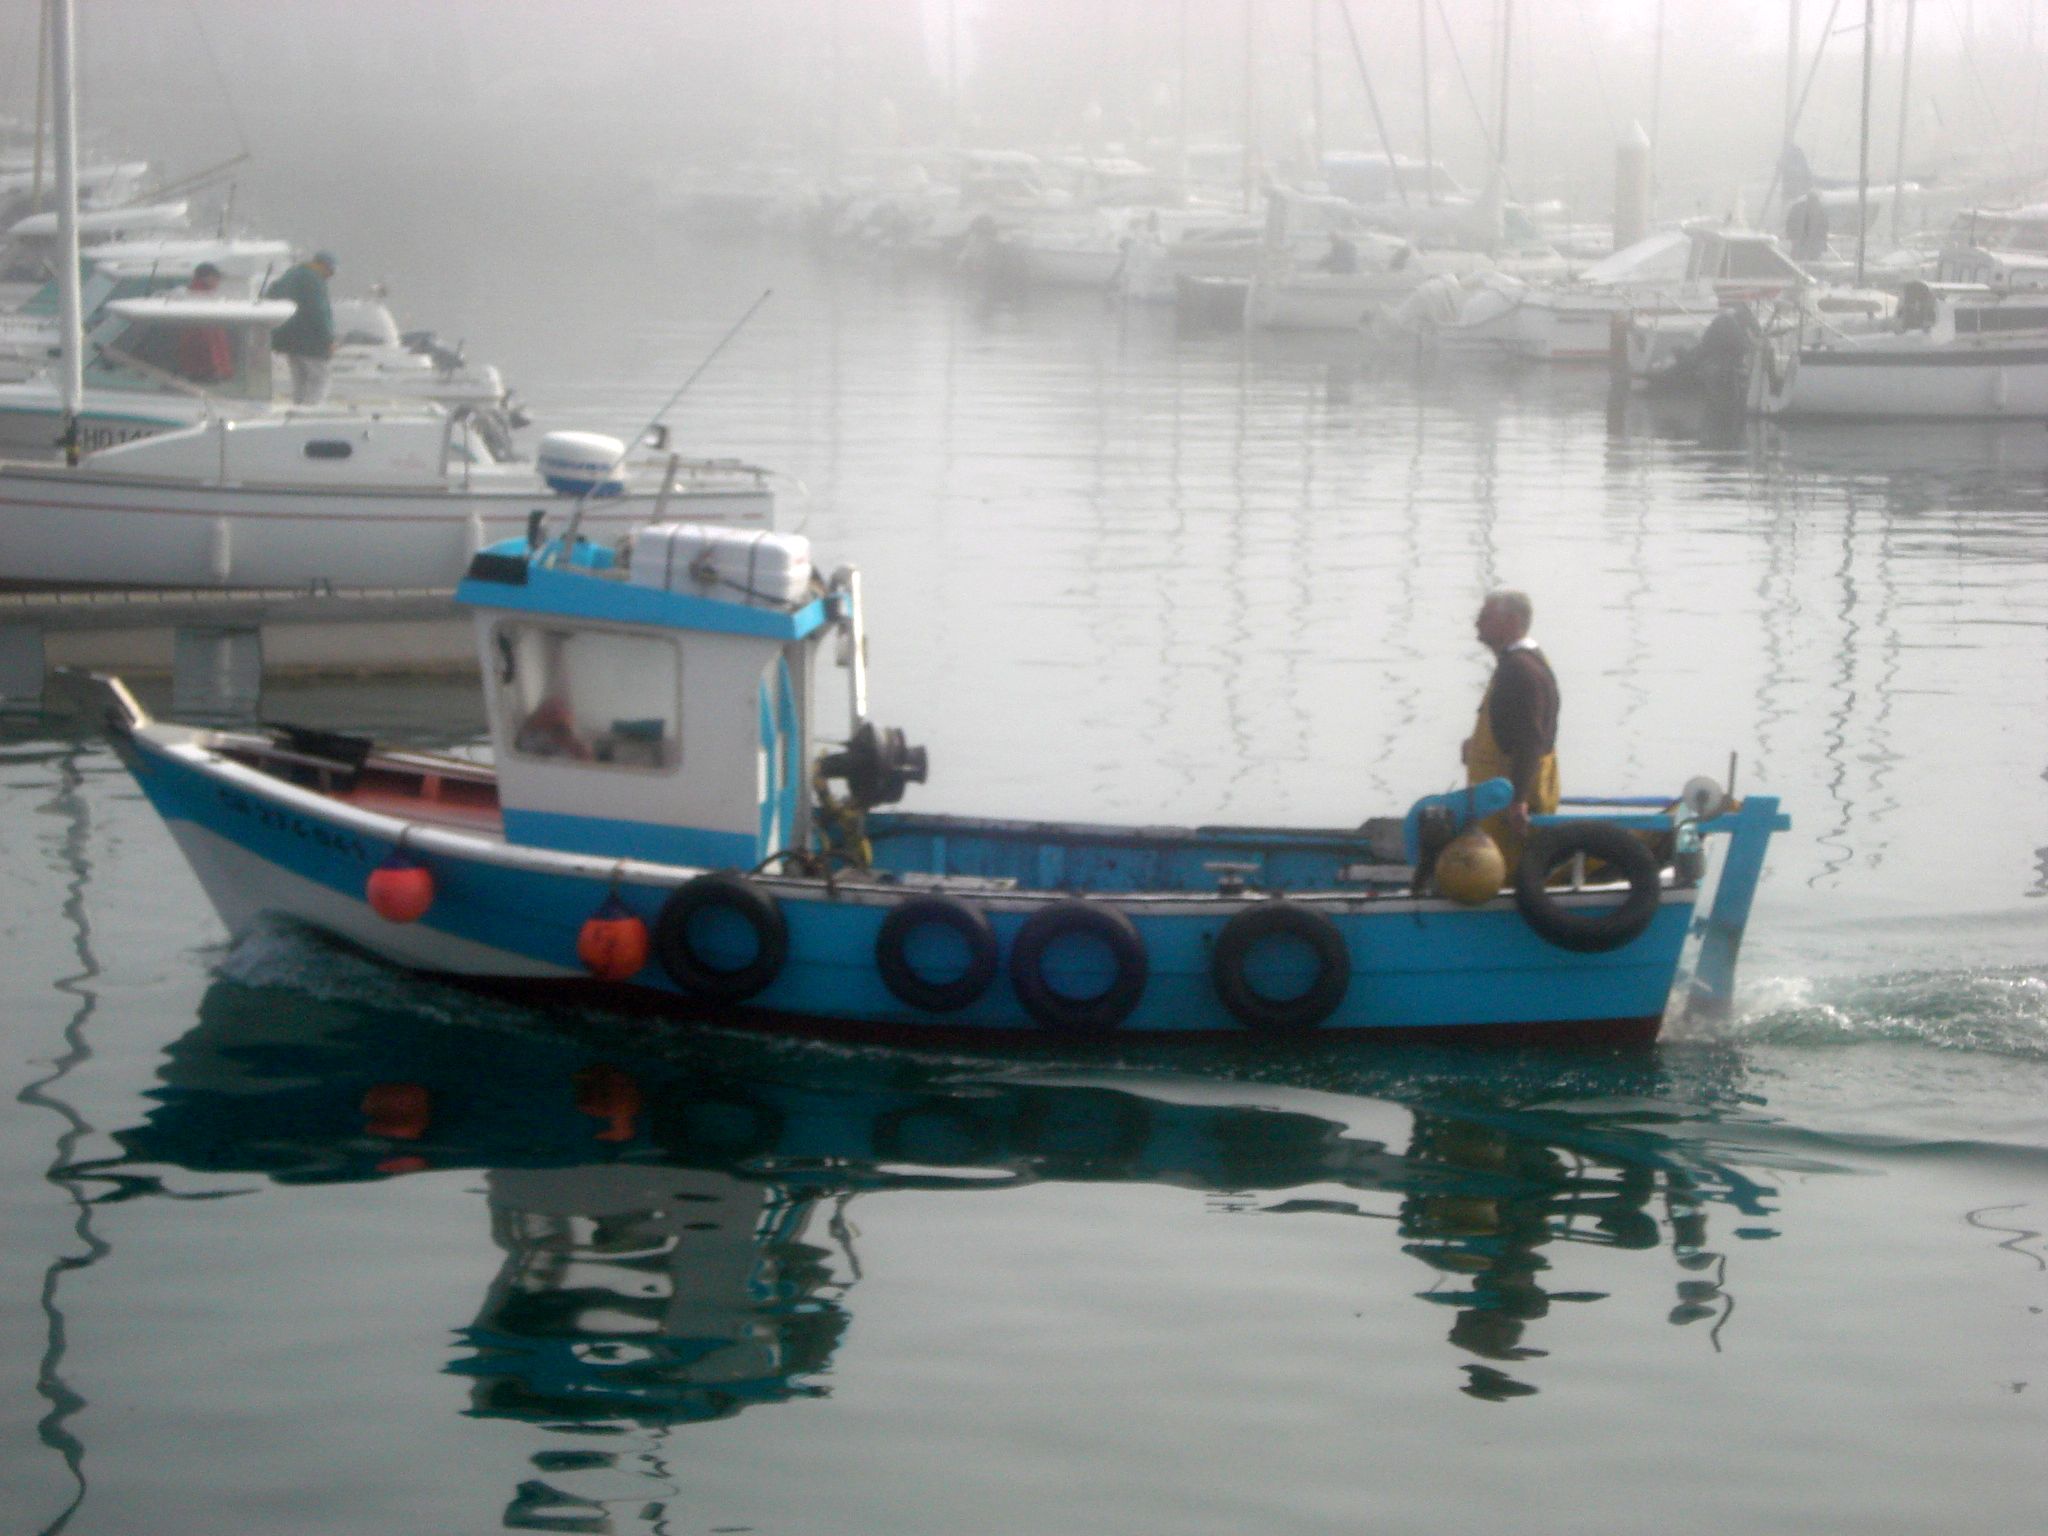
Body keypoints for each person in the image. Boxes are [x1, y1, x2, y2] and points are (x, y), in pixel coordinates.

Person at [1461, 590, 1559, 866]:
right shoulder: (1522, 663)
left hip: (1507, 807)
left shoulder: (1519, 670)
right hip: (1498, 800)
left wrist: (1517, 801)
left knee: (1511, 869)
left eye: (1485, 617)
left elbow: (1529, 740)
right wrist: (1476, 744)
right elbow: (1513, 726)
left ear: (1512, 622)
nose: (1477, 623)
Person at [265, 250, 337, 405]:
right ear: (324, 266)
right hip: (311, 342)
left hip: (287, 341)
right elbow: (319, 312)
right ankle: (311, 411)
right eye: (331, 271)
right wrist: (329, 339)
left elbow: (270, 297)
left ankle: (297, 409)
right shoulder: (314, 281)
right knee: (320, 379)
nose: (330, 276)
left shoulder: (289, 276)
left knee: (299, 381)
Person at [175, 261, 235, 385]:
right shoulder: (209, 301)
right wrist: (221, 370)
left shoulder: (184, 296)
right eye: (216, 278)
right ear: (207, 278)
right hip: (205, 370)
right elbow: (213, 345)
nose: (218, 282)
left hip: (191, 368)